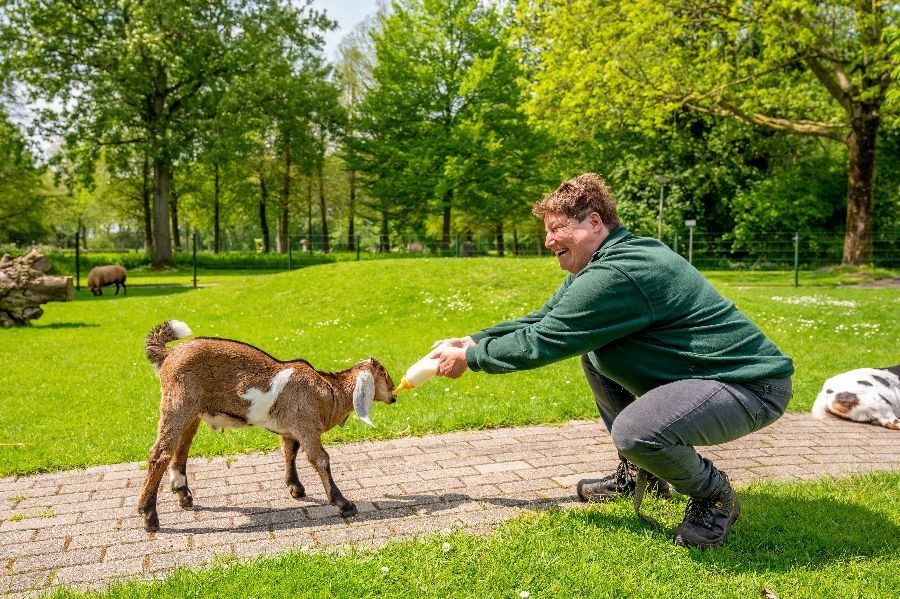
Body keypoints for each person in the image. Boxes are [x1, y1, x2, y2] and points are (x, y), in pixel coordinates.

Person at [431, 173, 793, 549]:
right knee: (596, 352)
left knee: (636, 432)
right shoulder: (602, 262)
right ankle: (646, 472)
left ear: (594, 221)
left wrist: (472, 359)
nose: (548, 240)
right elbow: (544, 318)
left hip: (749, 386)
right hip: (705, 379)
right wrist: (476, 339)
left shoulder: (618, 271)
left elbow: (544, 340)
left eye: (557, 228)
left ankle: (712, 495)